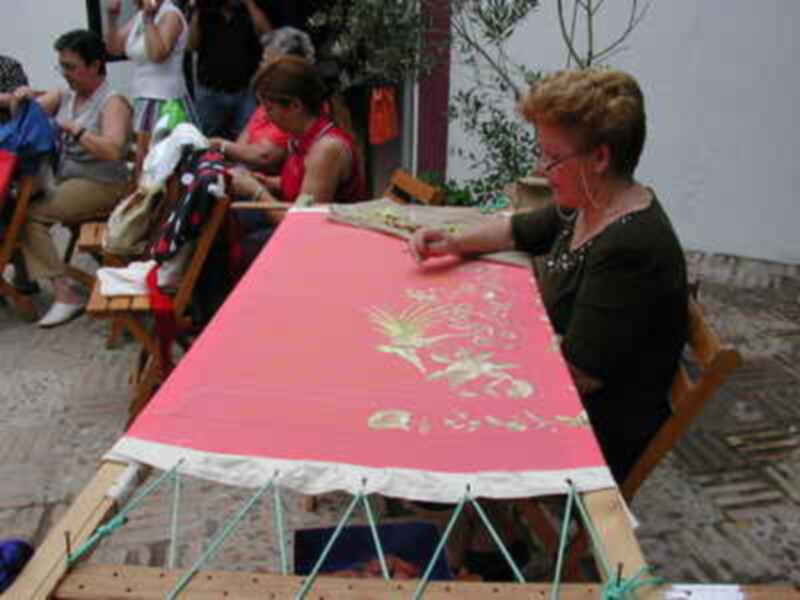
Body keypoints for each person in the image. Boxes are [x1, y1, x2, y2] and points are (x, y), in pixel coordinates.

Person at [410, 68, 689, 485]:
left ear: (600, 158)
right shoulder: (591, 202)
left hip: (591, 433)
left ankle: (466, 511)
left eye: (552, 157)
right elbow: (517, 230)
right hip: (566, 401)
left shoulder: (629, 247)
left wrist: (475, 347)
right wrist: (452, 242)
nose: (540, 169)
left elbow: (578, 375)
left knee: (432, 402)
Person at [12, 29, 132, 328]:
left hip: (105, 184)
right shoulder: (67, 94)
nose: (65, 73)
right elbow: (29, 115)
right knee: (15, 203)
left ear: (95, 66)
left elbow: (114, 150)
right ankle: (35, 278)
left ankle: (66, 295)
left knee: (30, 214)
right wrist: (23, 98)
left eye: (71, 67)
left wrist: (75, 130)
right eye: (61, 66)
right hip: (69, 181)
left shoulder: (112, 102)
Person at [228, 55, 365, 209]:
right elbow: (301, 186)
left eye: (269, 108)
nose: (265, 115)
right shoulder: (300, 136)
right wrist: (267, 182)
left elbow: (303, 218)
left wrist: (257, 192)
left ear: (295, 105)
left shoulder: (325, 150)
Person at [104, 0, 194, 168]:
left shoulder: (170, 15)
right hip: (143, 96)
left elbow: (158, 54)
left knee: (156, 160)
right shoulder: (140, 16)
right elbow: (114, 48)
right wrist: (112, 17)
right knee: (144, 159)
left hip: (164, 99)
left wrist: (148, 20)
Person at [188, 0, 272, 139]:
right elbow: (192, 45)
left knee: (248, 138)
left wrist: (249, 4)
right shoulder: (205, 13)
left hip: (245, 90)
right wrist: (197, 10)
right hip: (210, 90)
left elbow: (267, 34)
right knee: (205, 138)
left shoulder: (247, 12)